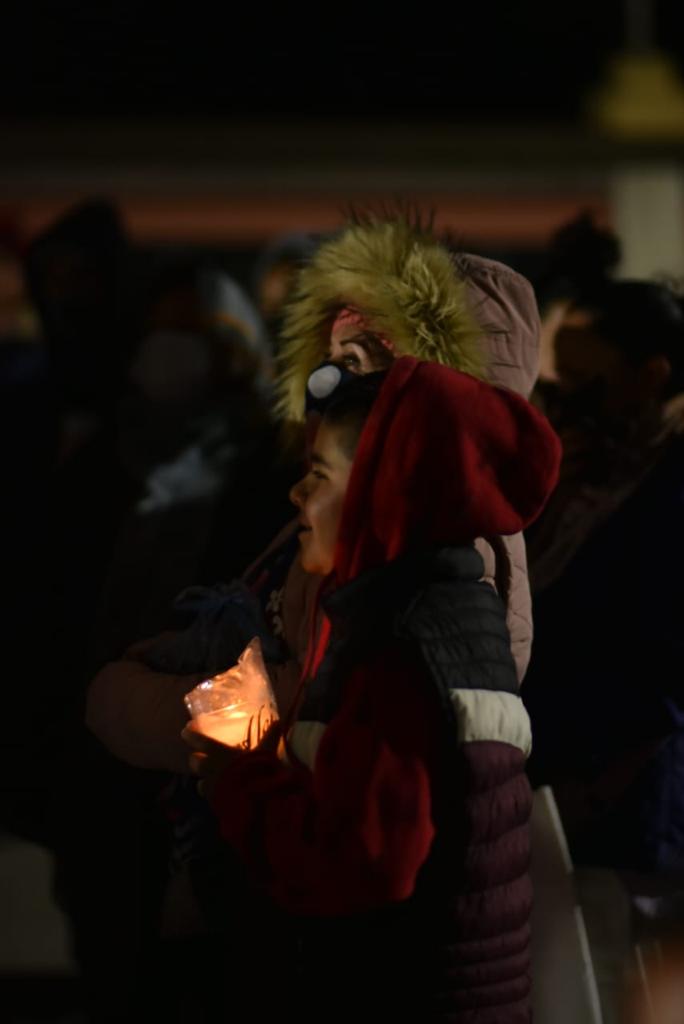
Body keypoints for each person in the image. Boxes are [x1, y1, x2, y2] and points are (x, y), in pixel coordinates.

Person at [86, 215, 542, 775]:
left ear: (432, 387)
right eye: (327, 363)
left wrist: (129, 701)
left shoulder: (435, 538)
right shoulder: (357, 511)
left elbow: (299, 706)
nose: (325, 385)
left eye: (354, 362)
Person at [184, 358, 561, 1022]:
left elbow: (364, 862)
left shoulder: (398, 644)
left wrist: (232, 771)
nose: (298, 495)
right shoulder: (444, 611)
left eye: (321, 475)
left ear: (387, 489)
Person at [524, 279, 684, 875]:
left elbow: (663, 682)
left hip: (625, 813)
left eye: (587, 390)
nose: (561, 413)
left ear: (651, 377)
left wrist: (588, 794)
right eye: (551, 392)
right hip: (551, 792)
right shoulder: (587, 474)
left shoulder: (667, 492)